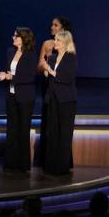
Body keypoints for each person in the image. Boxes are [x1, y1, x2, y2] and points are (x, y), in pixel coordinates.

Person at [0, 27, 37, 172]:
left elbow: (30, 77)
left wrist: (11, 77)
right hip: (12, 96)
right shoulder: (10, 52)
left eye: (16, 36)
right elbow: (10, 71)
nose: (13, 37)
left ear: (23, 38)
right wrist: (5, 74)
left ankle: (23, 164)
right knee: (12, 129)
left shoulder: (31, 54)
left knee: (23, 129)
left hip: (25, 96)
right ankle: (11, 162)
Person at [36, 16, 72, 167]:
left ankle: (62, 160)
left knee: (62, 126)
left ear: (63, 29)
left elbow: (70, 70)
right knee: (49, 124)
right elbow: (39, 65)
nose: (52, 27)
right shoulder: (47, 43)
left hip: (62, 89)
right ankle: (47, 159)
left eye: (55, 25)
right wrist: (44, 66)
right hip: (48, 86)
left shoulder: (70, 47)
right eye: (52, 24)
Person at [40, 30, 77, 175]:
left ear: (65, 43)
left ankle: (62, 167)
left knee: (65, 133)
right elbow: (50, 79)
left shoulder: (71, 58)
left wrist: (51, 71)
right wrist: (46, 72)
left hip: (66, 101)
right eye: (55, 40)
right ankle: (50, 166)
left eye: (58, 40)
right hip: (53, 99)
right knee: (52, 132)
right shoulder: (52, 58)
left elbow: (67, 78)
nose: (54, 42)